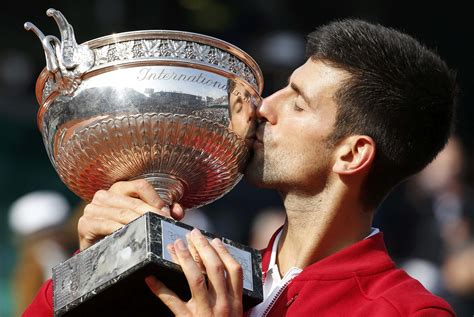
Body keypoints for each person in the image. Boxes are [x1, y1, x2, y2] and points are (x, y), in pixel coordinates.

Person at [24, 18, 457, 316]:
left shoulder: (404, 310)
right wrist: (92, 268)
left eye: (298, 103)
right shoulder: (196, 270)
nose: (264, 106)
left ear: (351, 154)